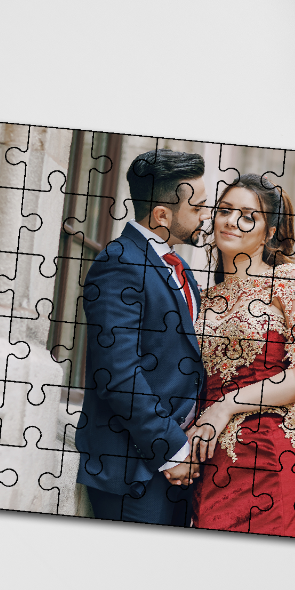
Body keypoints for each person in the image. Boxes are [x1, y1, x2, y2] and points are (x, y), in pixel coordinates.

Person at [187, 174, 295, 542]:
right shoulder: (201, 298)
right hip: (212, 462)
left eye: (248, 215)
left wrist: (226, 406)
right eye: (224, 210)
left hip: (272, 458)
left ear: (269, 232)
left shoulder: (289, 283)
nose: (231, 221)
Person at [75, 149, 210, 526]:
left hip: (178, 467)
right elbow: (118, 374)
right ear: (162, 215)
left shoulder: (178, 266)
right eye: (197, 207)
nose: (204, 216)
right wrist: (172, 450)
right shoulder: (118, 263)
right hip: (133, 471)